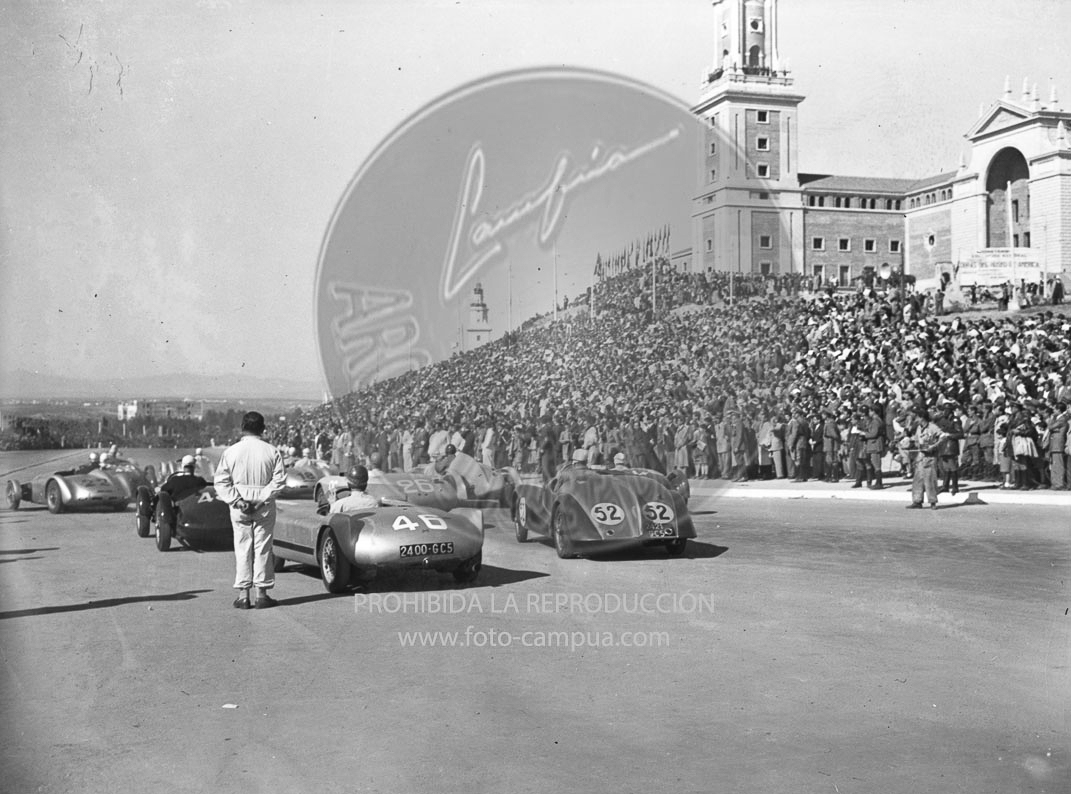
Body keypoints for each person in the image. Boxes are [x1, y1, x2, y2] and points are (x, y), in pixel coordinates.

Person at [214, 411, 287, 610]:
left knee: (242, 547)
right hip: (264, 505)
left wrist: (238, 501)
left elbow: (221, 482)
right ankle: (261, 594)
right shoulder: (272, 451)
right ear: (263, 429)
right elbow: (279, 481)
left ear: (242, 428)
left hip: (240, 504)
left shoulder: (231, 451)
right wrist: (262, 499)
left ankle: (243, 595)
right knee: (263, 547)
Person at [907, 409, 947, 510]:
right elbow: (917, 439)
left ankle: (932, 502)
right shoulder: (919, 428)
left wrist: (933, 446)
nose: (916, 420)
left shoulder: (932, 427)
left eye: (917, 417)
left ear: (922, 417)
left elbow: (943, 437)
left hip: (930, 457)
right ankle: (917, 501)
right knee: (918, 479)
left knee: (930, 480)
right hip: (921, 456)